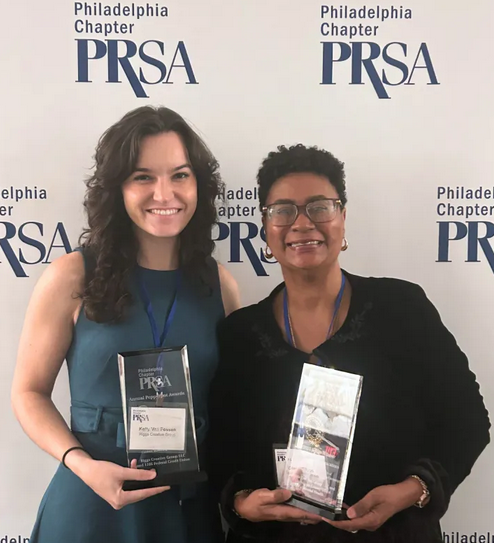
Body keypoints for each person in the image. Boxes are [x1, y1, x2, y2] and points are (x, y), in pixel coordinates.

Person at [207, 144, 490, 543]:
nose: (302, 223)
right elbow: (220, 447)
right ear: (265, 229)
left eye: (319, 207)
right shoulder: (239, 334)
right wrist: (240, 502)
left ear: (342, 218)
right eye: (283, 210)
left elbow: (467, 420)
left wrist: (412, 490)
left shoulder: (402, 309)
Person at [11, 105, 240, 543]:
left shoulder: (220, 285)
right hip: (90, 505)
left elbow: (233, 406)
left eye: (180, 175)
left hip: (185, 510)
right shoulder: (71, 276)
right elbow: (28, 393)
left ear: (199, 185)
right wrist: (81, 464)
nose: (164, 193)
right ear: (118, 188)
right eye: (143, 177)